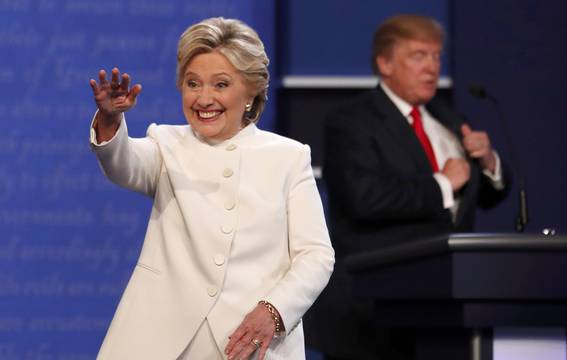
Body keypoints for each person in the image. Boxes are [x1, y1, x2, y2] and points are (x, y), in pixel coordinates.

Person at [88, 17, 334, 360]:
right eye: (193, 83)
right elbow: (123, 164)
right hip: (160, 342)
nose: (204, 98)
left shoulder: (289, 158)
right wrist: (111, 121)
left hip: (250, 343)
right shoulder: (166, 143)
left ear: (250, 92)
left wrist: (274, 311)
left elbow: (317, 256)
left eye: (220, 85)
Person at [305, 14, 510, 360]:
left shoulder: (448, 118)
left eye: (436, 56)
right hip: (375, 310)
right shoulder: (351, 121)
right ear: (385, 63)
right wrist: (442, 184)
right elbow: (364, 199)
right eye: (418, 56)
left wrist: (489, 163)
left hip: (445, 306)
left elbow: (483, 197)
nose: (431, 67)